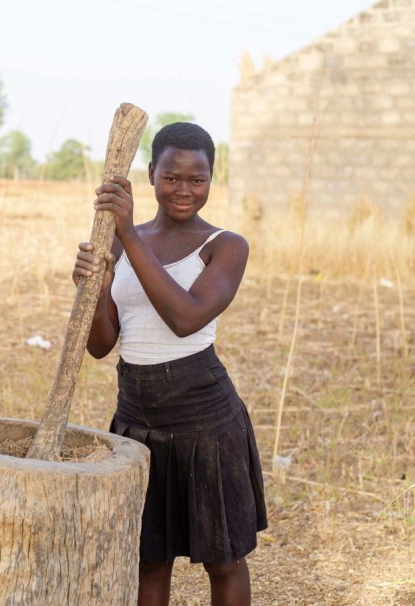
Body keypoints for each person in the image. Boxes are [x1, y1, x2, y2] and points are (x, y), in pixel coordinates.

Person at [73, 122, 267, 606]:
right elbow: (101, 346)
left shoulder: (225, 245)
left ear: (211, 180)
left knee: (223, 559)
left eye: (197, 179)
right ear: (151, 175)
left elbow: (185, 318)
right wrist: (94, 296)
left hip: (205, 417)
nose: (184, 190)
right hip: (136, 420)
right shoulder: (119, 241)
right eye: (172, 177)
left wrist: (127, 236)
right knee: (148, 558)